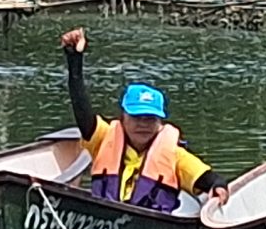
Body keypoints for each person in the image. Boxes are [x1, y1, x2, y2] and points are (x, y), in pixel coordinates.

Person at [57, 28, 226, 212]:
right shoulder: (103, 139)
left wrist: (218, 187)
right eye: (137, 117)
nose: (143, 124)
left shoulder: (175, 155)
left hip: (152, 226)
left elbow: (211, 179)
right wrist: (75, 60)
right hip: (105, 222)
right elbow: (82, 111)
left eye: (150, 119)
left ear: (160, 124)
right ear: (123, 117)